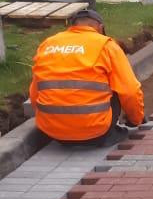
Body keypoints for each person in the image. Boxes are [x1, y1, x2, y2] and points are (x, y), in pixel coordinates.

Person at [30, 8, 144, 147]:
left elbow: (35, 92)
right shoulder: (106, 45)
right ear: (100, 28)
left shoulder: (48, 44)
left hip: (52, 132)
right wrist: (135, 120)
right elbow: (130, 90)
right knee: (116, 84)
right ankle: (107, 132)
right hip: (96, 131)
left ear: (72, 26)